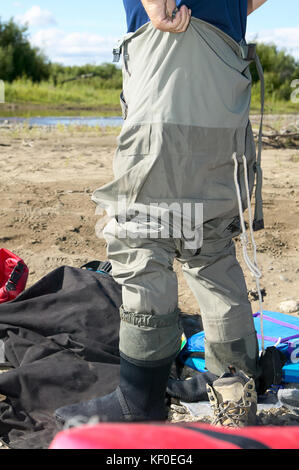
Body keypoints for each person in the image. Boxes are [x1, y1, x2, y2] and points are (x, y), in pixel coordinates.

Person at [55, 0, 268, 428]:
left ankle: (140, 401)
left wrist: (156, 5)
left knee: (142, 233)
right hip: (225, 65)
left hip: (170, 49)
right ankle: (234, 398)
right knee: (209, 246)